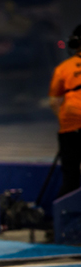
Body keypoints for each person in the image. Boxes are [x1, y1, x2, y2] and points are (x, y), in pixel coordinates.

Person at [49, 24, 81, 197]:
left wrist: (66, 121)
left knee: (70, 178)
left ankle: (66, 210)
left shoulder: (63, 68)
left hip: (70, 128)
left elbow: (54, 101)